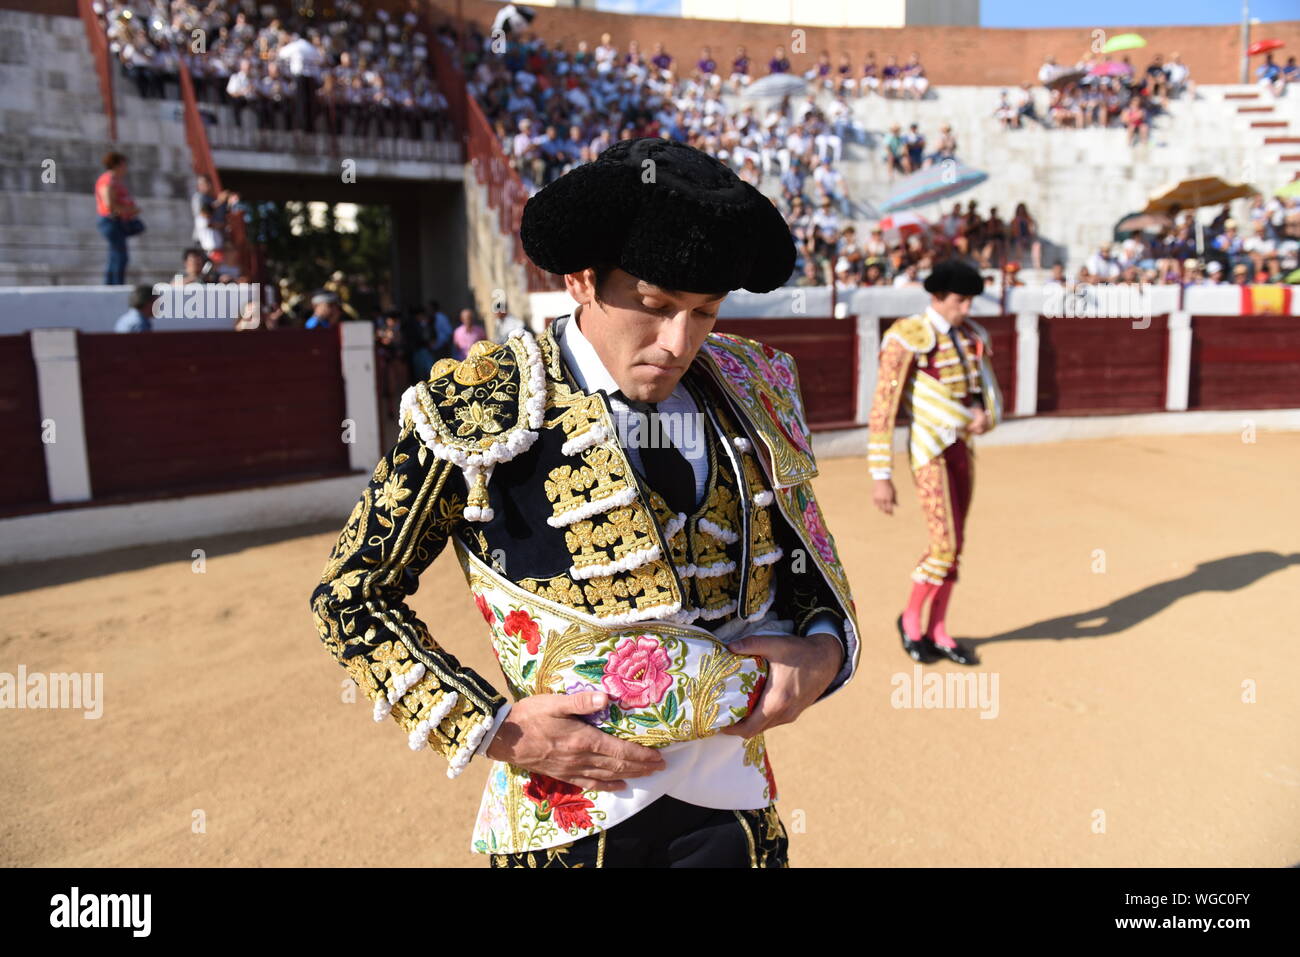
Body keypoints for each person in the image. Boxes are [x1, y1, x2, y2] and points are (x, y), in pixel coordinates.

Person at [309, 137, 860, 868]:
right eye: (656, 306)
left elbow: (808, 562)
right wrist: (500, 729)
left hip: (735, 811)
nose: (678, 341)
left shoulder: (749, 384)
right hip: (566, 825)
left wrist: (822, 653)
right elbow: (351, 594)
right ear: (581, 280)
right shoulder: (484, 402)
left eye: (704, 312)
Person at [866, 260, 1003, 666]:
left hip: (961, 448)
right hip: (929, 450)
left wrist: (982, 415)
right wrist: (881, 475)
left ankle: (939, 629)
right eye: (960, 301)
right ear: (937, 297)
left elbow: (979, 390)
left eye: (970, 301)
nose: (966, 309)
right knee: (943, 545)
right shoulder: (907, 336)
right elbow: (883, 407)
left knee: (955, 545)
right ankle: (911, 621)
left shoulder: (970, 336)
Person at [95, 151, 142, 285]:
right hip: (111, 221)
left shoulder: (115, 180)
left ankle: (113, 283)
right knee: (119, 255)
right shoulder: (108, 180)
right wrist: (130, 210)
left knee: (116, 254)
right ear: (118, 165)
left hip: (117, 221)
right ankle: (115, 284)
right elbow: (109, 204)